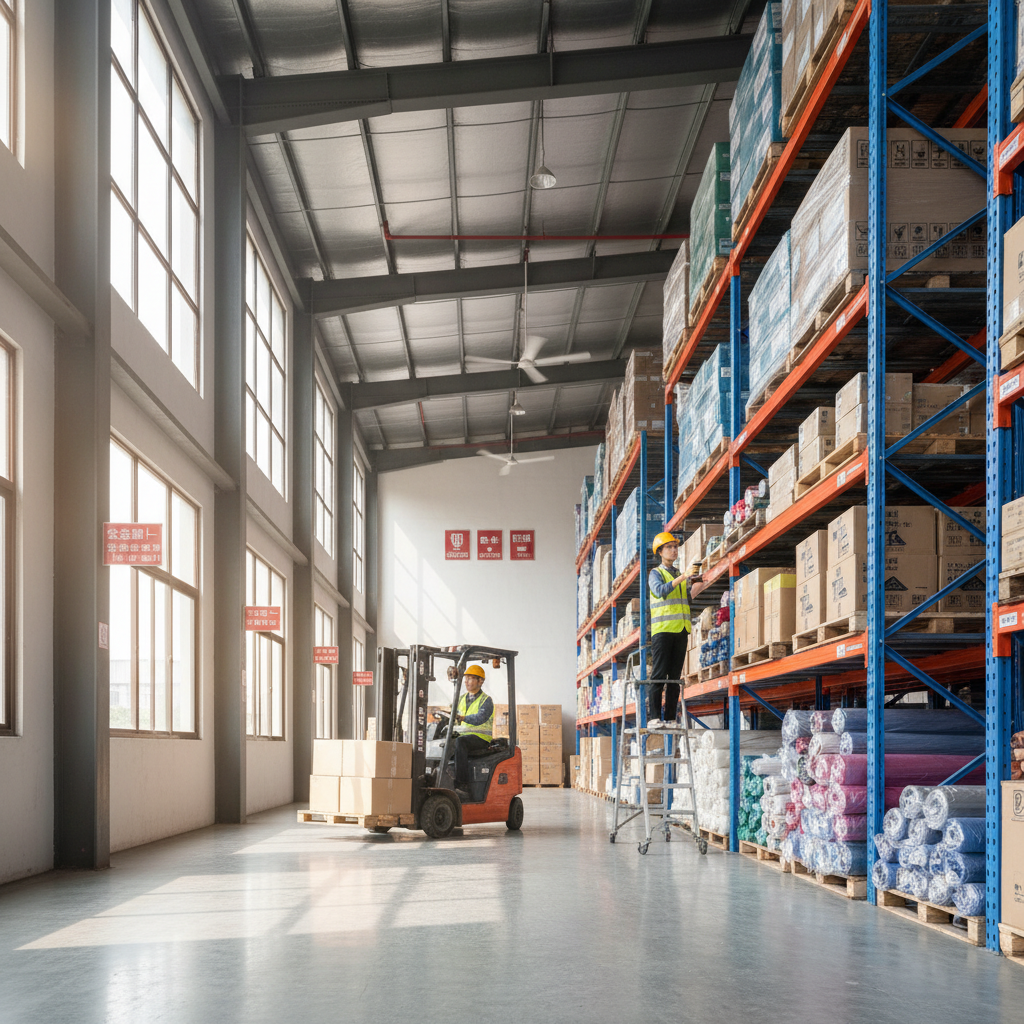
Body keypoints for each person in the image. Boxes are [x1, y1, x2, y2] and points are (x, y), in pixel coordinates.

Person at [646, 532, 698, 729]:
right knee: (659, 674)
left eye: (675, 547)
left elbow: (686, 598)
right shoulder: (656, 573)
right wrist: (684, 576)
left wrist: (697, 582)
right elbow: (660, 591)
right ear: (660, 552)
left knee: (675, 677)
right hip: (663, 631)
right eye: (669, 547)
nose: (674, 550)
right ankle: (653, 718)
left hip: (681, 630)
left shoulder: (678, 574)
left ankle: (669, 718)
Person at [452, 664, 494, 787]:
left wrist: (462, 718)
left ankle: (462, 784)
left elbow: (480, 718)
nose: (466, 681)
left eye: (470, 678)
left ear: (480, 681)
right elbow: (454, 715)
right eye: (466, 678)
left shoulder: (486, 700)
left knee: (460, 742)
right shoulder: (461, 698)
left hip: (481, 739)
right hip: (464, 735)